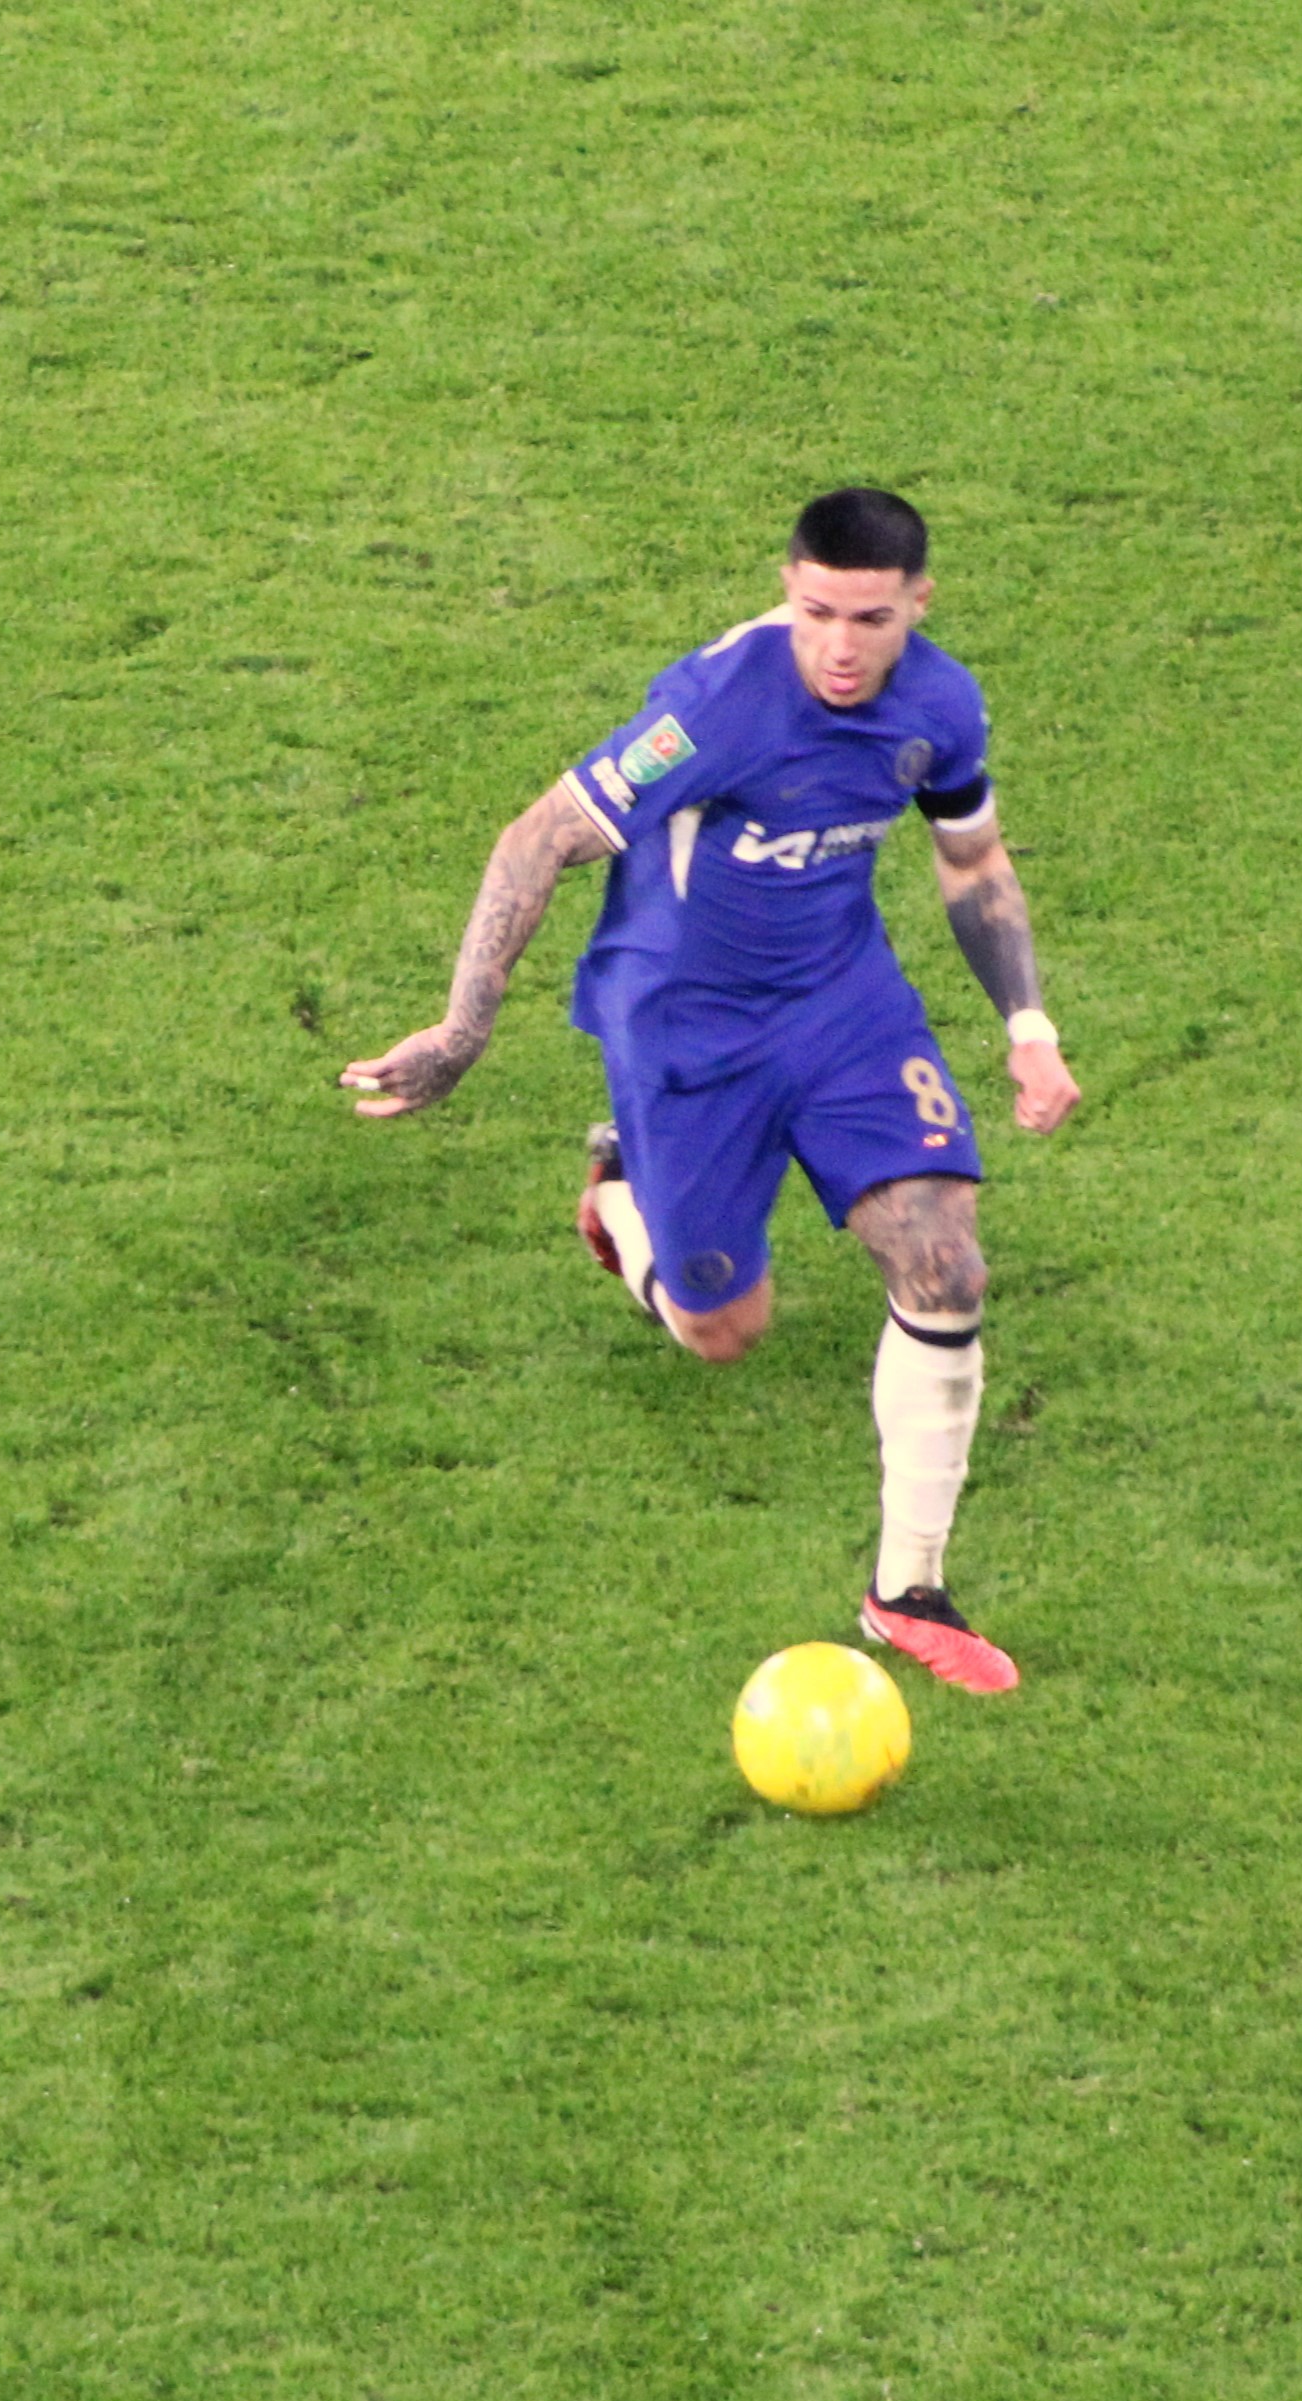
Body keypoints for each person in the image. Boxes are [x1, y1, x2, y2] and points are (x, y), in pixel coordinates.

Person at [342, 489, 1080, 1692]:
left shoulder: (940, 705)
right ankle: (621, 1197)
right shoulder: (715, 706)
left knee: (945, 1261)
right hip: (686, 1025)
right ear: (787, 587)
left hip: (841, 1004)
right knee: (721, 1331)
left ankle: (907, 1589)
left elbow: (971, 858)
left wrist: (1027, 1026)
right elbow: (538, 837)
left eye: (870, 619)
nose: (839, 646)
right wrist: (462, 1029)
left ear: (918, 604)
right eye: (816, 612)